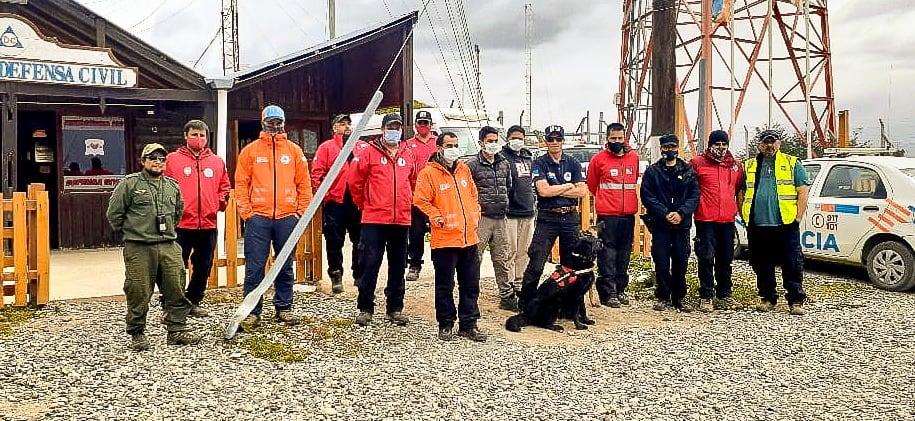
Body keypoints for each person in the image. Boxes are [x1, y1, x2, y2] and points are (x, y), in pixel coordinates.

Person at [106, 143, 202, 351]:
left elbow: (177, 212)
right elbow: (115, 213)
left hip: (168, 245)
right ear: (143, 161)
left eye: (161, 159)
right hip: (139, 247)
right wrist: (134, 232)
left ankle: (176, 330)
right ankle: (137, 332)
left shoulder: (172, 186)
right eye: (152, 158)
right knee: (138, 290)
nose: (157, 162)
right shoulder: (129, 184)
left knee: (176, 288)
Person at [235, 105, 313, 329]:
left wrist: (300, 212)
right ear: (263, 122)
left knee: (285, 265)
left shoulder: (294, 151)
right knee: (255, 267)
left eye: (279, 121)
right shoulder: (250, 151)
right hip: (258, 218)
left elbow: (304, 185)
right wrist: (247, 212)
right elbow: (241, 184)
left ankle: (284, 308)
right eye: (271, 121)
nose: (275, 126)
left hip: (287, 218)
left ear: (284, 123)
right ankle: (252, 311)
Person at [413, 132, 487, 342]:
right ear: (439, 148)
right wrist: (436, 216)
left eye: (456, 144)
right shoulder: (429, 173)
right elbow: (420, 200)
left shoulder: (463, 169)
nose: (453, 148)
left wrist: (475, 212)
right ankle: (445, 323)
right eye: (449, 145)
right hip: (445, 239)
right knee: (445, 285)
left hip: (469, 238)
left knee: (471, 284)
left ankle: (469, 324)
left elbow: (473, 194)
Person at [348, 113, 417, 326]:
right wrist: (365, 204)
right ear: (383, 129)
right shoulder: (369, 152)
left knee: (398, 266)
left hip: (401, 219)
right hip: (374, 219)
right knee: (369, 264)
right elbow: (355, 181)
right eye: (390, 127)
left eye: (397, 127)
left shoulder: (409, 154)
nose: (394, 131)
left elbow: (413, 182)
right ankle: (365, 307)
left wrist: (407, 203)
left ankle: (395, 308)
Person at [163, 119, 231, 317]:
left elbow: (224, 187)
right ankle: (171, 304)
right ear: (186, 136)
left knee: (204, 265)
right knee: (175, 267)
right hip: (181, 224)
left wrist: (218, 203)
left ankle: (193, 301)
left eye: (202, 135)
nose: (198, 139)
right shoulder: (172, 160)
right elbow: (163, 187)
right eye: (194, 135)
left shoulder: (217, 162)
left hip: (208, 224)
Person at [738, 129, 809, 315]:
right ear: (759, 144)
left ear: (779, 143)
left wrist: (798, 217)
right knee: (761, 264)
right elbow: (741, 193)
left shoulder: (792, 163)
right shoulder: (749, 166)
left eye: (773, 141)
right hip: (758, 225)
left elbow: (802, 191)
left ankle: (795, 300)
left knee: (791, 262)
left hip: (785, 224)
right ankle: (768, 298)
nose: (769, 145)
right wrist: (744, 215)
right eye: (765, 142)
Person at [518, 125, 588, 310]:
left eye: (558, 139)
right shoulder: (539, 162)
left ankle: (567, 306)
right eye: (551, 139)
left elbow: (582, 191)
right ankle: (526, 303)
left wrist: (556, 188)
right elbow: (543, 191)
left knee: (570, 264)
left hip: (570, 217)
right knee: (537, 263)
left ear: (563, 140)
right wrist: (567, 186)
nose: (555, 142)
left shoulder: (572, 162)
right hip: (548, 218)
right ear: (546, 141)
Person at [640, 134, 699, 312]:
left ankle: (679, 297)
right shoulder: (652, 172)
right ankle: (663, 296)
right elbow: (647, 196)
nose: (669, 150)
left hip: (681, 225)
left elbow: (694, 196)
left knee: (681, 260)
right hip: (660, 225)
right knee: (661, 261)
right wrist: (665, 213)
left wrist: (681, 213)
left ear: (678, 148)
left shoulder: (688, 171)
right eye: (665, 147)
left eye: (672, 146)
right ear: (661, 149)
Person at [587, 123, 640, 308]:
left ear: (624, 138)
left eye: (620, 138)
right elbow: (592, 185)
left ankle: (620, 289)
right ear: (607, 139)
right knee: (607, 254)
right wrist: (606, 202)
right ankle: (608, 292)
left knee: (624, 254)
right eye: (613, 139)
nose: (616, 142)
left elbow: (633, 182)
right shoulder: (598, 159)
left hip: (628, 215)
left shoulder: (634, 158)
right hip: (607, 215)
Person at [690, 130, 745, 312]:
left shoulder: (736, 166)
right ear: (710, 145)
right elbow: (690, 189)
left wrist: (740, 212)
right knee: (706, 258)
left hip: (727, 220)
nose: (720, 147)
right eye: (717, 144)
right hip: (705, 219)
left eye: (724, 144)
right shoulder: (697, 164)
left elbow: (739, 190)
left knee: (725, 258)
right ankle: (706, 296)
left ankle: (724, 294)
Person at [465, 126, 515, 310]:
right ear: (481, 143)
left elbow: (508, 186)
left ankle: (507, 296)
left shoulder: (504, 163)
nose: (493, 144)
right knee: (474, 259)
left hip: (500, 217)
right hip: (481, 219)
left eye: (496, 141)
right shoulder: (471, 165)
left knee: (501, 258)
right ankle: (470, 297)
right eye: (490, 141)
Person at [312, 114, 362, 294]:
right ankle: (336, 275)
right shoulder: (326, 148)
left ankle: (359, 274)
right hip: (336, 201)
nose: (347, 127)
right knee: (334, 241)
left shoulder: (360, 147)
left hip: (357, 201)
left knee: (360, 240)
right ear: (334, 127)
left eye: (349, 123)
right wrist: (327, 196)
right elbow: (317, 174)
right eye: (342, 124)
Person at [501, 125, 536, 307]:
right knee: (510, 251)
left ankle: (520, 282)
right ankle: (507, 288)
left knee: (524, 251)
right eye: (514, 137)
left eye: (520, 138)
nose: (517, 141)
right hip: (510, 212)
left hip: (528, 211)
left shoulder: (528, 157)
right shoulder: (502, 158)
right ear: (507, 138)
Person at [404, 110, 439, 282]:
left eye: (426, 123)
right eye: (420, 123)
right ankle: (414, 265)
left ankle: (441, 265)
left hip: (438, 197)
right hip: (416, 196)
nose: (423, 126)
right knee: (416, 234)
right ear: (416, 125)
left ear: (431, 124)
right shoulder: (408, 144)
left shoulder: (439, 143)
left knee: (439, 231)